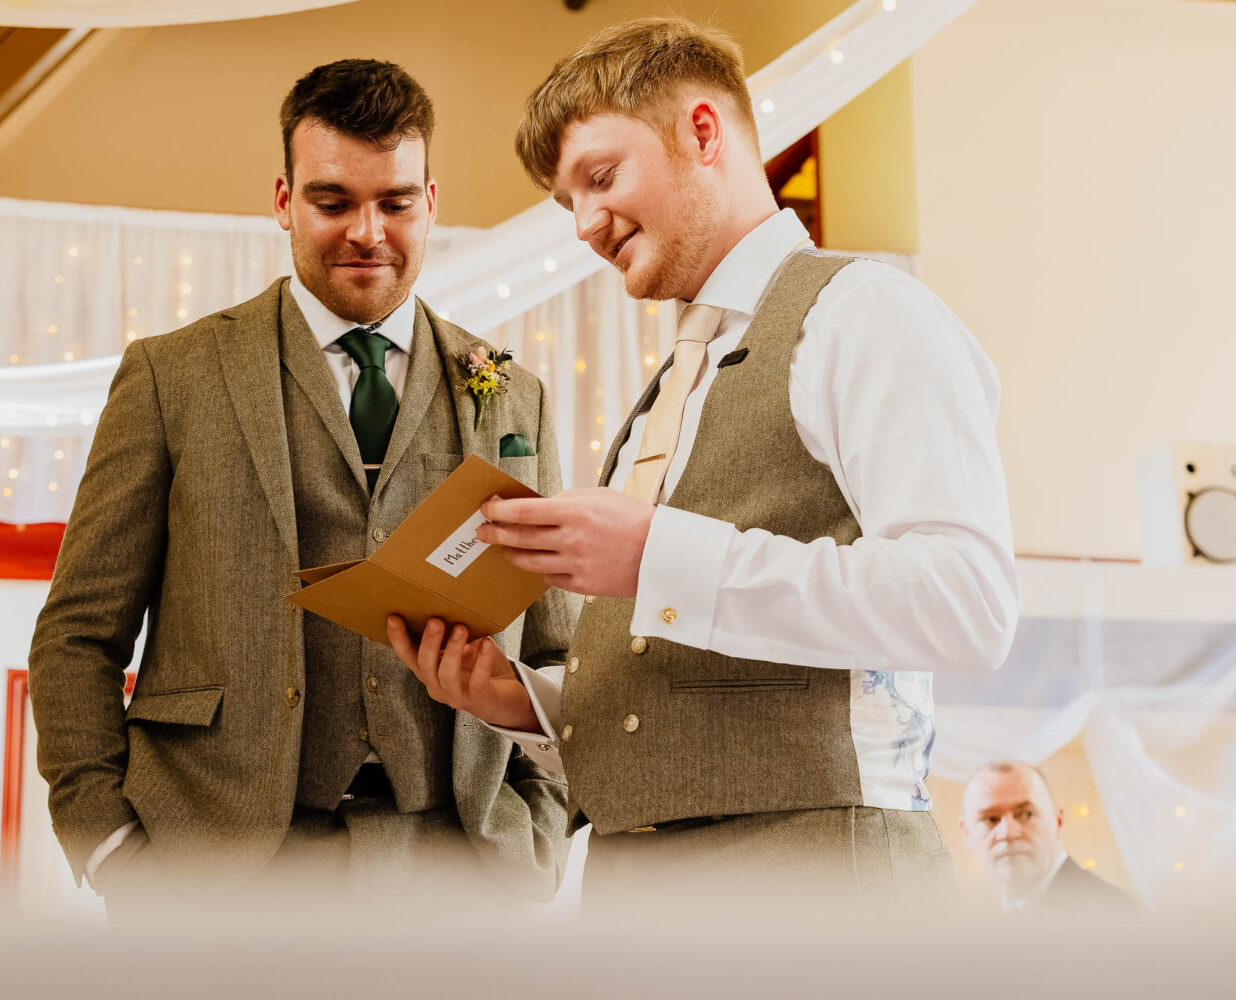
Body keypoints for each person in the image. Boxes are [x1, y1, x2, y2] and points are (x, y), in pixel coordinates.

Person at [388, 17, 1020, 910]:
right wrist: (525, 701)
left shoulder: (867, 313)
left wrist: (657, 555)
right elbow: (691, 701)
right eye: (567, 202)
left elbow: (967, 605)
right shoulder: (670, 388)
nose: (585, 226)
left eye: (600, 178)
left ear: (703, 131)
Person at [30, 59, 577, 913]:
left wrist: (539, 828)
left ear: (431, 202)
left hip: (460, 866)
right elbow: (77, 635)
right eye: (333, 202)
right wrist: (105, 843)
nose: (368, 231)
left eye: (395, 203)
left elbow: (554, 644)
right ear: (284, 201)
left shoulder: (513, 393)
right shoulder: (172, 377)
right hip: (216, 863)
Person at [960, 761, 1137, 916]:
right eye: (991, 819)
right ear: (966, 832)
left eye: (1026, 814)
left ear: (1058, 821)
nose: (1008, 833)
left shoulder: (1113, 912)